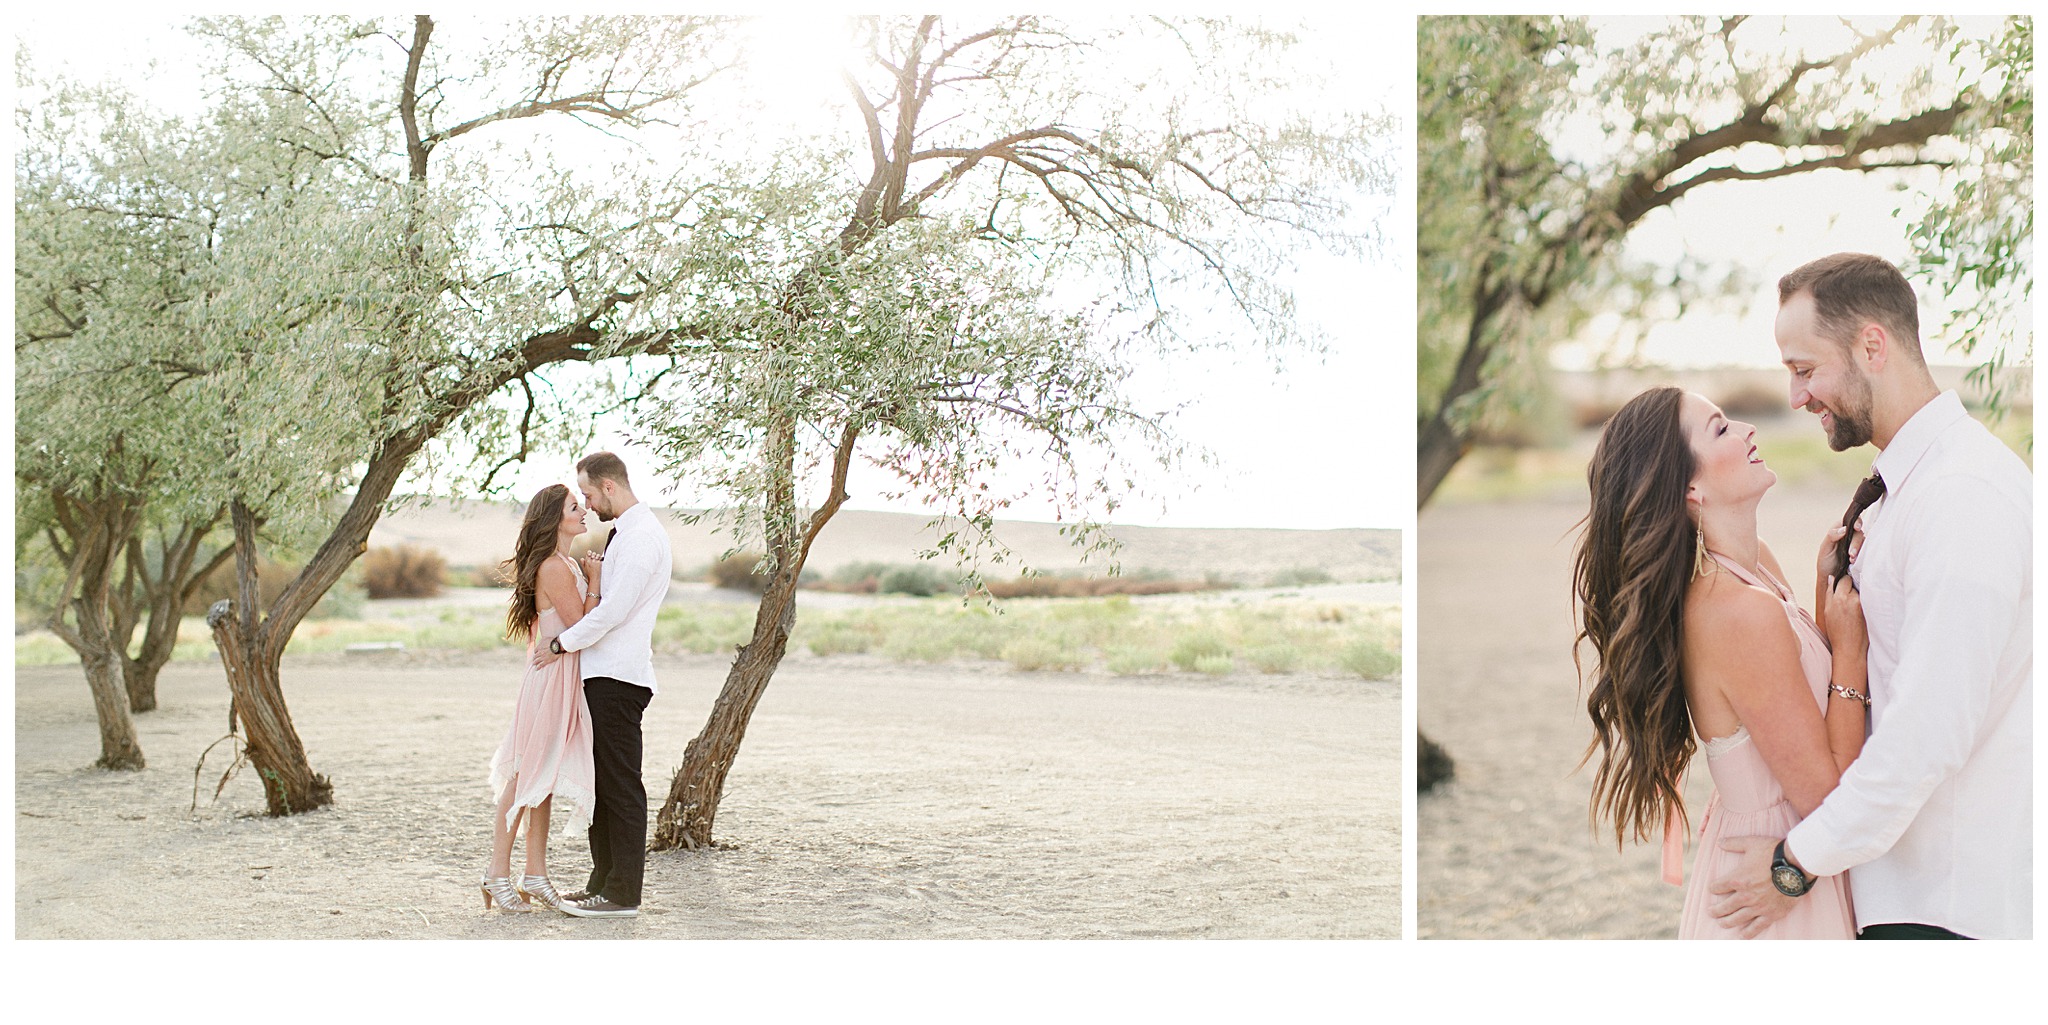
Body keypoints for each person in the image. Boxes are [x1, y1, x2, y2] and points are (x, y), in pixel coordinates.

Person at [1710, 253, 2032, 940]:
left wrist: (1793, 865)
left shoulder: (1961, 499)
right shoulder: (1918, 489)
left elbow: (1926, 735)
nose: (1795, 397)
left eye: (1803, 369)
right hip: (1903, 894)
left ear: (1872, 346)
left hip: (1944, 909)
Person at [1574, 386, 1869, 939]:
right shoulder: (1735, 612)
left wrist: (1823, 586)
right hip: (1777, 872)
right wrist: (1852, 654)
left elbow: (1797, 693)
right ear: (1690, 486)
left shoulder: (1754, 572)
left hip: (1788, 849)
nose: (1747, 429)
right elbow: (1830, 797)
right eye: (1720, 428)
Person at [532, 451, 673, 918]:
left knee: (621, 785)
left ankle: (623, 894)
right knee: (603, 785)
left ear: (609, 487)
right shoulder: (624, 534)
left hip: (619, 676)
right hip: (601, 674)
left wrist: (559, 645)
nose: (588, 505)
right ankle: (602, 883)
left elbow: (613, 613)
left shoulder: (642, 538)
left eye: (589, 495)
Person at [482, 483, 601, 912]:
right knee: (526, 777)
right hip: (550, 681)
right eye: (574, 507)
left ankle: (534, 874)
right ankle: (496, 873)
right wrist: (596, 582)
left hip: (561, 677)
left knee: (544, 780)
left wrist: (587, 576)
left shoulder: (565, 562)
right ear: (556, 519)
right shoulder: (553, 567)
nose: (583, 511)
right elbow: (580, 625)